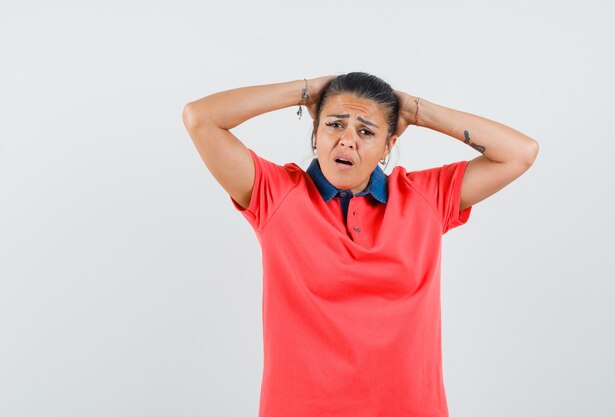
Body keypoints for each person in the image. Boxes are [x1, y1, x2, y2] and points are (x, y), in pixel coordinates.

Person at [182, 72, 539, 417]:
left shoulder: (424, 198)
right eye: (335, 124)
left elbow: (520, 152)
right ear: (316, 133)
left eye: (366, 131)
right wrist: (305, 91)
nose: (347, 139)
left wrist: (418, 112)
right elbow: (200, 118)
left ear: (388, 146)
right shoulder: (277, 195)